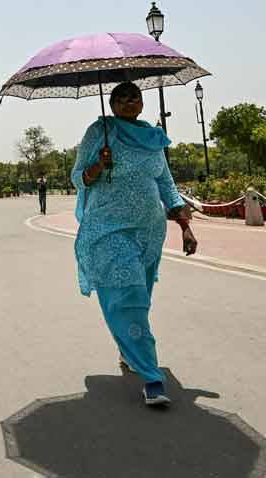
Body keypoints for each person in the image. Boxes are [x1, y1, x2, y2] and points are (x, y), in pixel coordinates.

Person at [71, 82, 198, 407]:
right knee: (128, 296)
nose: (129, 102)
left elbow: (165, 183)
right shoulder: (100, 133)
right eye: (122, 98)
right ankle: (152, 378)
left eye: (135, 97)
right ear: (111, 104)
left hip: (149, 231)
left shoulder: (153, 138)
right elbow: (77, 178)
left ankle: (129, 349)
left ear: (142, 103)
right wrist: (98, 165)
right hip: (109, 229)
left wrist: (184, 225)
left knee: (138, 297)